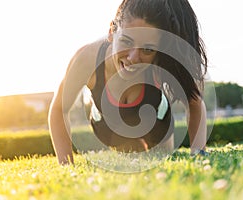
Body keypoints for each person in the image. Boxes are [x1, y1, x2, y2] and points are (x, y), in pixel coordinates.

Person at [49, 0, 209, 165]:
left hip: (156, 122)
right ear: (111, 31)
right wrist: (66, 165)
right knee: (130, 151)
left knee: (160, 159)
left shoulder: (160, 63)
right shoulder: (86, 59)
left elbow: (194, 102)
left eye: (147, 49)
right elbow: (59, 108)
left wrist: (198, 153)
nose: (133, 58)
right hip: (108, 127)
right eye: (126, 41)